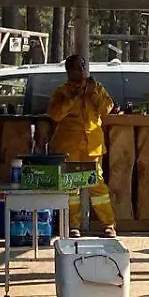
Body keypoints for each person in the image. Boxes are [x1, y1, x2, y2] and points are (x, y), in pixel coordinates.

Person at [47, 55, 119, 239]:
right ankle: (73, 225)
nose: (79, 72)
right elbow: (55, 115)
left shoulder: (96, 87)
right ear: (68, 71)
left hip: (92, 146)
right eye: (75, 69)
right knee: (71, 187)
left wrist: (94, 93)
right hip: (69, 145)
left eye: (82, 68)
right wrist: (72, 99)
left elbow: (107, 109)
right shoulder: (61, 91)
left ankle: (108, 225)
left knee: (98, 186)